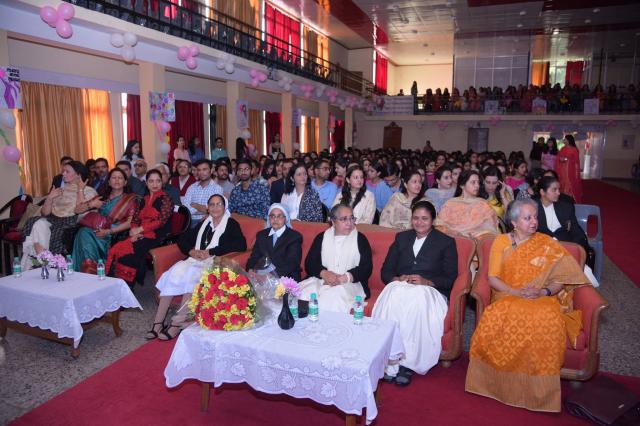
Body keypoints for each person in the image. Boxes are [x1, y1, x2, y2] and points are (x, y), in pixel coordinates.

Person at [465, 199, 590, 412]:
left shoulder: (547, 243)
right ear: (514, 223)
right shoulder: (501, 242)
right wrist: (516, 292)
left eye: (535, 217)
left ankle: (539, 392)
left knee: (547, 318)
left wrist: (543, 291)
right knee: (503, 315)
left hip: (541, 297)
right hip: (507, 295)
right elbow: (493, 278)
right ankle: (499, 385)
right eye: (527, 218)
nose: (534, 222)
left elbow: (561, 279)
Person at [373, 201, 458, 386]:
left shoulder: (446, 242)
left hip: (430, 291)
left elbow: (451, 279)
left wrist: (427, 281)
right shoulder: (401, 238)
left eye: (425, 219)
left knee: (416, 299)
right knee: (394, 295)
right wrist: (397, 278)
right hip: (402, 287)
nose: (419, 222)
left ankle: (408, 363)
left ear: (433, 220)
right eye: (416, 218)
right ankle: (390, 359)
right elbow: (386, 271)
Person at [150, 194, 247, 340]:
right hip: (195, 260)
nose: (215, 208)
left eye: (218, 204)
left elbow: (240, 244)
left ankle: (177, 323)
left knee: (192, 276)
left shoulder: (231, 224)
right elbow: (183, 239)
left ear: (224, 206)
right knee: (174, 273)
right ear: (208, 208)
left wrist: (211, 252)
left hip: (214, 263)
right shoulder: (204, 224)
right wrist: (191, 251)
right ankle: (158, 322)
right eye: (212, 205)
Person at [21, 161, 98, 269]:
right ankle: (42, 261)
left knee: (44, 228)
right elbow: (45, 213)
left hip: (72, 223)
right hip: (53, 220)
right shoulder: (60, 190)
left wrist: (80, 189)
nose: (63, 174)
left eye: (67, 171)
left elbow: (81, 211)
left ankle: (42, 264)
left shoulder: (89, 191)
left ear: (78, 175)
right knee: (37, 223)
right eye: (63, 171)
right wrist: (49, 198)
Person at [299, 204, 373, 313]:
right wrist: (324, 273)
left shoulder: (360, 239)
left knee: (333, 295)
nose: (349, 223)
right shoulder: (322, 237)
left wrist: (345, 277)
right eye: (344, 219)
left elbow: (366, 268)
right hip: (322, 280)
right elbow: (310, 263)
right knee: (303, 293)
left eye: (351, 218)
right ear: (333, 222)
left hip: (350, 283)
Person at [106, 169, 172, 286]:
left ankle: (127, 287)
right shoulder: (143, 199)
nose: (155, 184)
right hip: (140, 233)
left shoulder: (166, 198)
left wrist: (140, 230)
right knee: (118, 248)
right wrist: (134, 230)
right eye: (151, 181)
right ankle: (118, 286)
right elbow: (135, 219)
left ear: (162, 183)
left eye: (158, 181)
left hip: (157, 235)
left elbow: (161, 221)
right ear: (146, 183)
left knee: (129, 255)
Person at [72, 168, 139, 272]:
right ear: (109, 182)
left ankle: (91, 269)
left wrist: (108, 231)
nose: (117, 180)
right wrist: (91, 204)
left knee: (85, 233)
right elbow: (77, 210)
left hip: (114, 234)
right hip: (96, 231)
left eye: (120, 178)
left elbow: (130, 223)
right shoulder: (102, 197)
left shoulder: (130, 199)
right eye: (114, 178)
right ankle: (89, 267)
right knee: (83, 232)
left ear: (125, 182)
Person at [535, 176, 593, 268]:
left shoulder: (566, 207)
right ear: (542, 192)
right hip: (541, 251)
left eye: (559, 189)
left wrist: (572, 248)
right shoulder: (532, 208)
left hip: (565, 249)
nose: (558, 193)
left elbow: (577, 231)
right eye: (554, 190)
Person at [246, 203, 303, 281]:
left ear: (286, 218)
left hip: (285, 277)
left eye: (279, 216)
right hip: (261, 275)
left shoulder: (294, 237)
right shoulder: (261, 235)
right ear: (269, 218)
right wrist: (250, 269)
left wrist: (271, 275)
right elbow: (254, 257)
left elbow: (292, 263)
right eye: (272, 216)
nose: (275, 219)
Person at [435, 170, 498, 239]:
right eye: (473, 182)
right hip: (453, 240)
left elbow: (490, 228)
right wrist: (456, 234)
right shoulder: (450, 204)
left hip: (478, 241)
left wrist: (474, 236)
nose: (477, 185)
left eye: (478, 182)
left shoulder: (483, 204)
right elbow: (440, 225)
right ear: (462, 185)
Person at [182, 159, 223, 226]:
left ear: (211, 170)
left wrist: (195, 205)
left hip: (208, 221)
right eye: (199, 170)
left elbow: (215, 209)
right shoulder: (192, 187)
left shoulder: (217, 188)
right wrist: (205, 209)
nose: (201, 172)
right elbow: (185, 206)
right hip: (190, 220)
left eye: (204, 169)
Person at [556, 134, 583, 203]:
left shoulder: (574, 149)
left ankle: (570, 197)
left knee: (569, 182)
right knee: (562, 181)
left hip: (570, 170)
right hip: (562, 169)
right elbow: (558, 158)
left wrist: (567, 159)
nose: (564, 140)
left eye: (565, 139)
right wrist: (560, 159)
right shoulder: (562, 148)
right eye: (564, 139)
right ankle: (562, 196)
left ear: (569, 140)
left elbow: (576, 161)